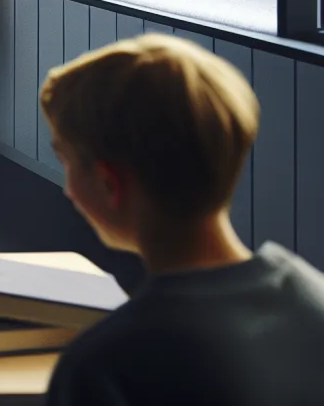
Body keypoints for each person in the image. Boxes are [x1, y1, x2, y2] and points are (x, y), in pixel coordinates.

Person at [41, 34, 324, 405]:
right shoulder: (313, 297)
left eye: (67, 163)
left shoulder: (103, 366)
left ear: (110, 184)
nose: (67, 191)